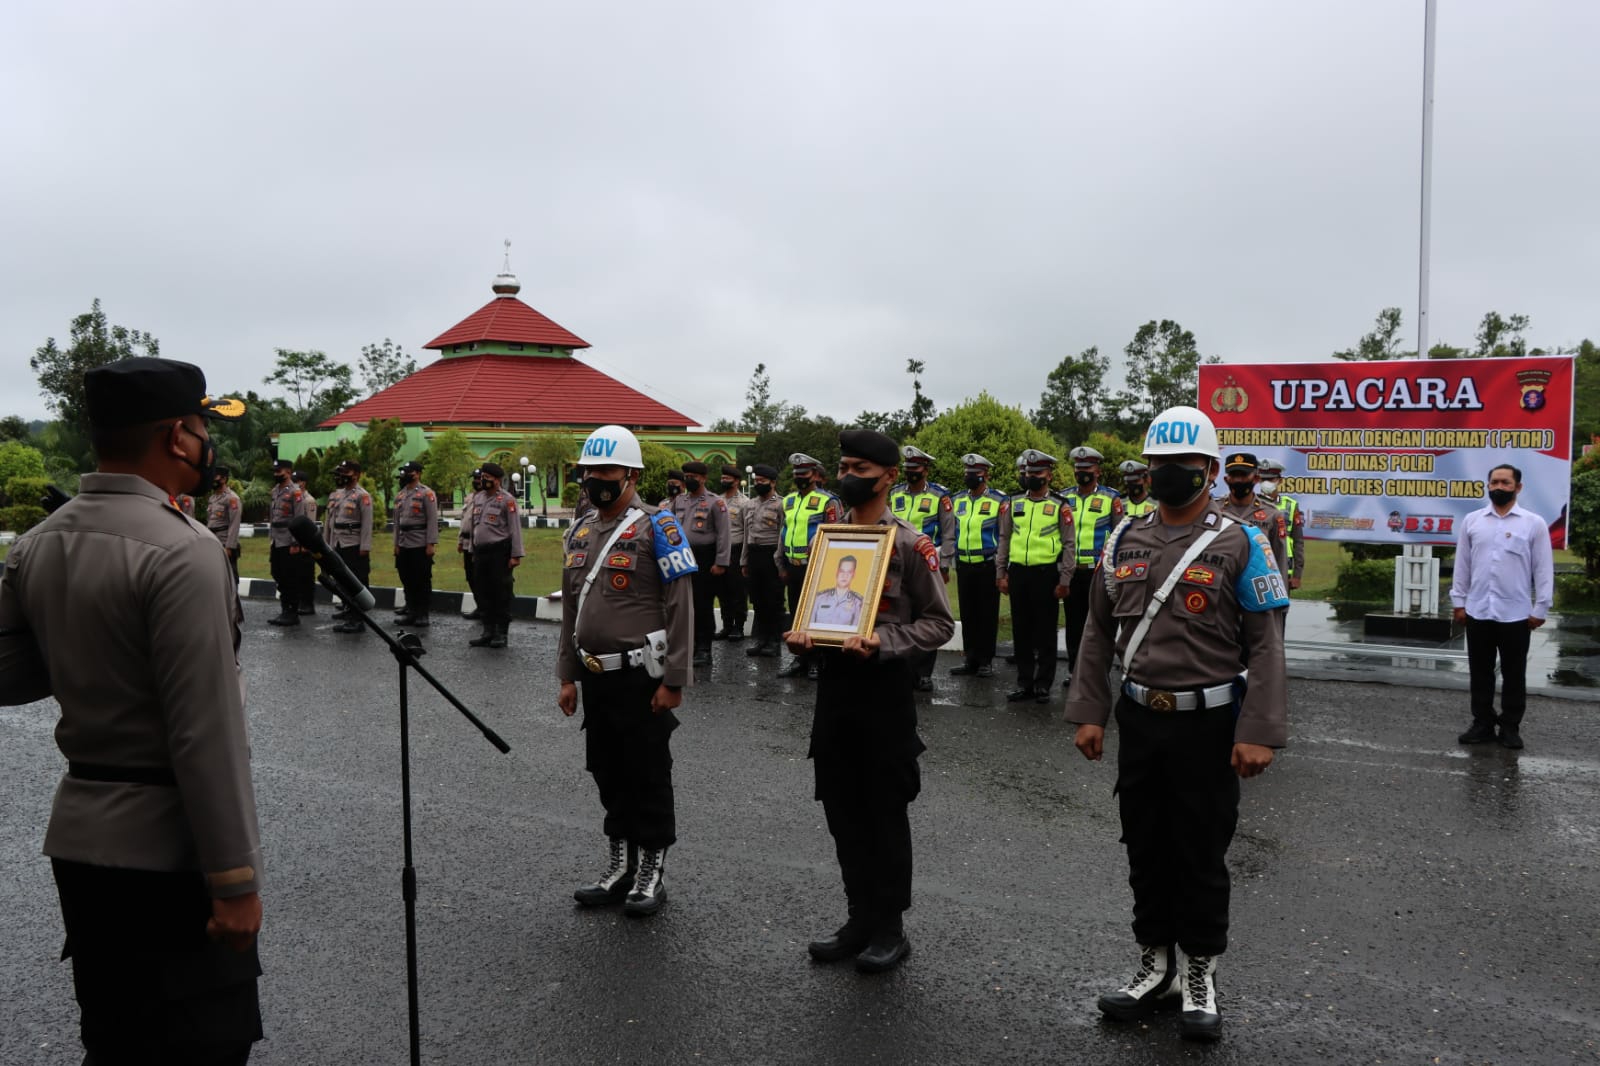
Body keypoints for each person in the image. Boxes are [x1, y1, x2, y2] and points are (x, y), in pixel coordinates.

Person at [0, 357, 264, 1063]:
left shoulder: (38, 543)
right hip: (168, 855)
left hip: (83, 843)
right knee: (204, 1044)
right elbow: (205, 734)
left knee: (116, 1040)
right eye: (205, 425)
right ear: (177, 437)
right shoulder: (183, 551)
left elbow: (10, 676)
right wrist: (235, 880)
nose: (210, 441)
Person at [1065, 404, 1289, 1043]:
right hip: (1141, 717)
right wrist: (1089, 711)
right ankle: (1154, 966)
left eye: (1183, 465)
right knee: (1144, 845)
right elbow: (1097, 631)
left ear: (1211, 470)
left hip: (1211, 724)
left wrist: (1259, 729)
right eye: (1158, 463)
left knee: (1199, 851)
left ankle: (1199, 974)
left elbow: (1266, 644)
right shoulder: (1122, 538)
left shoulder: (1242, 541)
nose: (1167, 474)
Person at [785, 429, 954, 974]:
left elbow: (938, 623)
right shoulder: (829, 539)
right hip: (835, 689)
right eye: (844, 465)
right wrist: (805, 635)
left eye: (860, 467)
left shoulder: (908, 542)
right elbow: (817, 609)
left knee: (883, 811)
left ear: (887, 476)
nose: (847, 475)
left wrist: (885, 640)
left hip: (883, 691)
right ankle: (858, 917)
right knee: (840, 807)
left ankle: (889, 927)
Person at [558, 425, 697, 917]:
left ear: (632, 475)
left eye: (607, 471)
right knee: (607, 770)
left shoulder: (659, 527)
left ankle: (650, 871)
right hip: (596, 676)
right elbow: (572, 609)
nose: (597, 480)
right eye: (590, 471)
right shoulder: (579, 530)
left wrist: (674, 681)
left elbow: (680, 606)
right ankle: (619, 865)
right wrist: (566, 674)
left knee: (647, 773)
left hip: (642, 677)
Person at [1450, 463, 1553, 750]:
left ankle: (1510, 727)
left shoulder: (1533, 523)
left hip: (1516, 614)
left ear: (1518, 487)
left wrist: (1540, 608)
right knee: (1480, 672)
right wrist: (1459, 602)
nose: (1499, 487)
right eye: (1494, 481)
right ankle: (1482, 723)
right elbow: (1463, 566)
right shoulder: (1472, 521)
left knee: (1514, 673)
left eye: (1506, 483)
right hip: (1478, 611)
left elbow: (1543, 569)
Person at [996, 450, 1073, 704]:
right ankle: (1025, 683)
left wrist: (1065, 580)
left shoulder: (1060, 506)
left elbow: (1069, 544)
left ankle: (1043, 685)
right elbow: (1005, 538)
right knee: (1022, 631)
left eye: (1037, 473)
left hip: (1046, 574)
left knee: (1045, 632)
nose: (1031, 477)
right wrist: (1001, 572)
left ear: (1049, 476)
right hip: (1018, 573)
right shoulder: (1013, 502)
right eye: (1028, 473)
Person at [889, 445, 955, 692]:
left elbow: (948, 533)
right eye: (907, 468)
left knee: (927, 615)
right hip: (897, 564)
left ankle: (924, 673)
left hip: (928, 563)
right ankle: (904, 668)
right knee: (902, 614)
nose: (910, 473)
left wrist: (946, 563)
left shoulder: (940, 496)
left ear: (925, 470)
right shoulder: (895, 493)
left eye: (915, 468)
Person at [1061, 445, 1124, 682]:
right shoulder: (1064, 497)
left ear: (1097, 470)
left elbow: (1119, 535)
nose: (1082, 472)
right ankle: (1074, 670)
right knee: (1074, 624)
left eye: (1087, 468)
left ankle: (1099, 672)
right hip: (1072, 572)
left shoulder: (1111, 498)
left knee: (1099, 624)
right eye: (1078, 468)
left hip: (1097, 572)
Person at [778, 453, 842, 679]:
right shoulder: (788, 500)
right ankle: (800, 660)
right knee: (796, 614)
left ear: (815, 475)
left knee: (816, 615)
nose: (800, 478)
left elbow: (836, 534)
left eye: (804, 474)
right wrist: (781, 563)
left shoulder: (828, 501)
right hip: (792, 565)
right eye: (796, 474)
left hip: (817, 566)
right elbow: (783, 533)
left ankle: (816, 660)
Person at [949, 453, 1007, 678]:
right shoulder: (958, 500)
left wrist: (1003, 567)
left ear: (986, 475)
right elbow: (954, 530)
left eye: (975, 474)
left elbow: (1004, 536)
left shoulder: (999, 501)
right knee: (968, 613)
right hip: (964, 563)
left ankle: (986, 660)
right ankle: (970, 659)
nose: (970, 477)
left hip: (987, 564)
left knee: (986, 614)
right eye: (967, 473)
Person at [670, 461, 730, 667]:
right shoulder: (679, 500)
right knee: (685, 603)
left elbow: (724, 534)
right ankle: (691, 645)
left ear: (703, 478)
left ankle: (704, 649)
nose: (689, 480)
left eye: (693, 476)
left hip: (705, 557)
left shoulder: (715, 502)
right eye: (686, 475)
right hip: (683, 557)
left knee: (703, 604)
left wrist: (721, 562)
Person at [466, 461, 525, 649]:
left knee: (500, 593)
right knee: (483, 592)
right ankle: (487, 630)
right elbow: (475, 526)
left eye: (488, 478)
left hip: (499, 552)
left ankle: (501, 633)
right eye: (482, 477)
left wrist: (516, 555)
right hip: (481, 552)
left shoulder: (507, 500)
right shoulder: (479, 498)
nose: (483, 481)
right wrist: (472, 550)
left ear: (498, 480)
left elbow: (515, 529)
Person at [323, 459, 374, 634]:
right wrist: (327, 545)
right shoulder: (337, 495)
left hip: (354, 544)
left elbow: (367, 523)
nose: (342, 475)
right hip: (338, 543)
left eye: (347, 472)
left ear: (356, 475)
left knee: (356, 582)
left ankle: (357, 619)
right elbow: (329, 522)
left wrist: (365, 546)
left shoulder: (362, 495)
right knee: (342, 581)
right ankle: (348, 610)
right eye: (341, 471)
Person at [742, 464, 787, 658]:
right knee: (758, 599)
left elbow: (782, 534)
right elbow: (746, 534)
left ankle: (774, 642)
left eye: (763, 481)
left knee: (773, 599)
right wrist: (744, 561)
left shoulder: (781, 504)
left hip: (771, 555)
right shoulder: (750, 504)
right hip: (753, 554)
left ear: (773, 482)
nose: (758, 484)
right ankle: (762, 639)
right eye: (757, 481)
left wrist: (779, 562)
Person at [392, 460, 438, 627]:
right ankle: (411, 612)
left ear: (417, 473)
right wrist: (396, 543)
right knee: (407, 579)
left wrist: (431, 543)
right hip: (404, 542)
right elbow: (396, 522)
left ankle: (422, 614)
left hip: (420, 542)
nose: (405, 474)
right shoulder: (401, 495)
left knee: (422, 580)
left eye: (409, 471)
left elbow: (432, 520)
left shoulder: (427, 493)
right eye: (404, 471)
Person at [265, 458, 311, 626]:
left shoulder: (295, 492)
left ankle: (291, 612)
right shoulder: (275, 491)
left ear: (289, 472)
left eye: (280, 472)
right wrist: (271, 538)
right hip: (276, 540)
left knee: (289, 576)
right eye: (275, 472)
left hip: (288, 539)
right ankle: (285, 609)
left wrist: (295, 543)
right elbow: (273, 517)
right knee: (277, 573)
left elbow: (298, 519)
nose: (276, 474)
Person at [1255, 459, 1303, 591]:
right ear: (1258, 480)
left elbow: (1298, 541)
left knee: (1281, 610)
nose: (1267, 483)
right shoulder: (1251, 505)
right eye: (1264, 479)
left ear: (1280, 480)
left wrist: (1297, 575)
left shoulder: (1291, 506)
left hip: (1283, 569)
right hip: (1256, 568)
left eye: (1271, 479)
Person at [715, 464, 751, 640]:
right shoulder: (718, 500)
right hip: (720, 551)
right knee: (722, 591)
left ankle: (739, 626)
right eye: (722, 478)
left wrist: (745, 558)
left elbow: (747, 531)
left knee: (737, 590)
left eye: (727, 478)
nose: (723, 480)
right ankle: (727, 625)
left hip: (737, 550)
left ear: (736, 481)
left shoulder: (744, 503)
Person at [206, 465, 243, 584]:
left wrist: (229, 546)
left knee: (230, 577)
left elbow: (234, 523)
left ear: (223, 479)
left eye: (215, 476)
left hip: (224, 541)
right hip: (213, 541)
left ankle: (233, 602)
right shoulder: (213, 498)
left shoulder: (232, 498)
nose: (212, 479)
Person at [809, 555, 865, 628]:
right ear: (837, 572)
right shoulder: (819, 598)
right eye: (842, 571)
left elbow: (855, 631)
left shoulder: (858, 603)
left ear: (853, 574)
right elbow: (809, 626)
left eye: (849, 572)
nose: (845, 576)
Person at [290, 471, 318, 615]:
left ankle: (308, 604)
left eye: (297, 481)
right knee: (297, 575)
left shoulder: (309, 501)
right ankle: (300, 602)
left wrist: (306, 545)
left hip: (305, 545)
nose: (295, 484)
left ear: (304, 483)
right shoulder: (295, 499)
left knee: (306, 576)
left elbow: (310, 525)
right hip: (295, 544)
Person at [460, 468, 485, 620]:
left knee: (480, 577)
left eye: (478, 478)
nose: (476, 481)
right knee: (470, 576)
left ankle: (486, 608)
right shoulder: (469, 498)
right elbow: (464, 521)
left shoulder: (486, 499)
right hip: (466, 542)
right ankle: (480, 606)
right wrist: (459, 541)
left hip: (479, 544)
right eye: (474, 478)